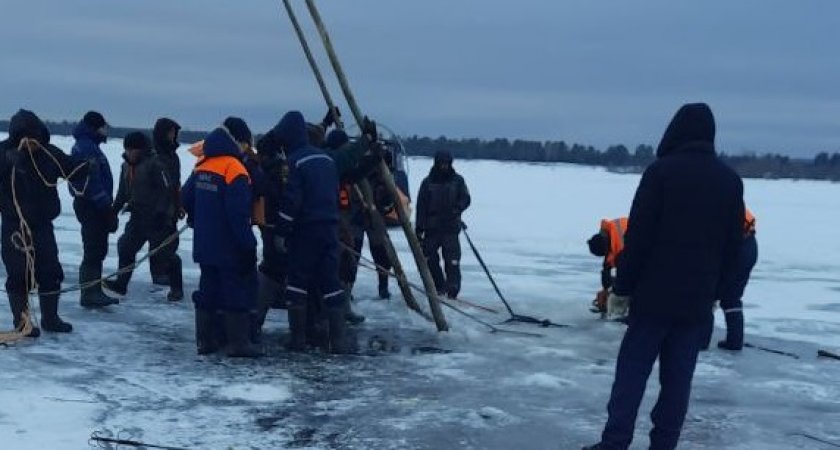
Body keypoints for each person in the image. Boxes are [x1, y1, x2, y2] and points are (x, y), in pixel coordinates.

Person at [583, 103, 744, 450]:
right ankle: (663, 445)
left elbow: (638, 237)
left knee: (631, 375)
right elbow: (735, 247)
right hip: (696, 304)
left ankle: (615, 443)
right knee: (677, 382)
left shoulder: (660, 174)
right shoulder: (729, 182)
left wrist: (621, 289)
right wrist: (716, 292)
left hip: (652, 300)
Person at [0, 109, 89, 334]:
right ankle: (22, 322)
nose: (30, 142)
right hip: (14, 226)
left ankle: (51, 318)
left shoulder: (49, 153)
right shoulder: (3, 153)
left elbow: (69, 168)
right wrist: (7, 164)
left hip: (42, 225)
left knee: (50, 271)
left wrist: (85, 167)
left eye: (33, 137)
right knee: (18, 273)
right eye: (24, 137)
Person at [273, 110, 352, 353]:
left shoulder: (295, 162)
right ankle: (338, 340)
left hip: (305, 232)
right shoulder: (327, 160)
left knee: (297, 282)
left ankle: (298, 339)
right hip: (330, 230)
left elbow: (291, 201)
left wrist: (281, 231)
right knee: (330, 281)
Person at [181, 124, 261, 358]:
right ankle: (238, 343)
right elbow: (237, 214)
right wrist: (248, 245)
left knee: (208, 289)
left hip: (205, 243)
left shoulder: (201, 166)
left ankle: (205, 342)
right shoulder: (235, 168)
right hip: (229, 245)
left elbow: (186, 197)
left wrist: (197, 218)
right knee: (234, 289)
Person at [103, 132, 183, 301]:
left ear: (142, 149)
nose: (131, 152)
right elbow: (122, 192)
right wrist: (114, 210)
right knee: (125, 246)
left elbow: (166, 190)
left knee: (164, 255)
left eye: (134, 149)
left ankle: (177, 288)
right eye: (128, 149)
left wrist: (162, 213)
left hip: (158, 218)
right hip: (138, 216)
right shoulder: (126, 167)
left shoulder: (155, 164)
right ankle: (121, 283)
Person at [69, 111, 119, 309]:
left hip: (95, 206)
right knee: (93, 248)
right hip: (92, 206)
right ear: (94, 128)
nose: (105, 131)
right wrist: (105, 207)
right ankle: (89, 293)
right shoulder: (86, 149)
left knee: (97, 248)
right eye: (103, 127)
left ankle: (94, 290)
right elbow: (92, 182)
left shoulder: (90, 147)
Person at [415, 150, 471, 299]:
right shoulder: (427, 182)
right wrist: (419, 228)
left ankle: (453, 288)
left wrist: (458, 207)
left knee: (452, 261)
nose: (444, 166)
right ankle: (439, 286)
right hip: (432, 228)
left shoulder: (458, 181)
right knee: (430, 259)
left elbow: (466, 198)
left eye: (447, 164)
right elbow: (421, 206)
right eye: (442, 163)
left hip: (451, 228)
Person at [706, 208, 758, 351]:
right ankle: (735, 340)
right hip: (749, 246)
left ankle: (701, 341)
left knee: (707, 293)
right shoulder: (729, 198)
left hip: (735, 250)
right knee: (732, 297)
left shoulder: (711, 204)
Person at [149, 117, 183, 287]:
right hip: (158, 208)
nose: (173, 136)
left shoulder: (173, 156)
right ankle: (158, 273)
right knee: (157, 241)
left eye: (174, 133)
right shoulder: (155, 156)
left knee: (171, 241)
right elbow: (161, 186)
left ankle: (165, 272)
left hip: (171, 207)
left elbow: (175, 184)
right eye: (170, 133)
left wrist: (179, 205)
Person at [587, 217, 629, 315]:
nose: (606, 256)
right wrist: (606, 289)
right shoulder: (610, 231)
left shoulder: (621, 246)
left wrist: (612, 291)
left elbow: (627, 273)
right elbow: (606, 267)